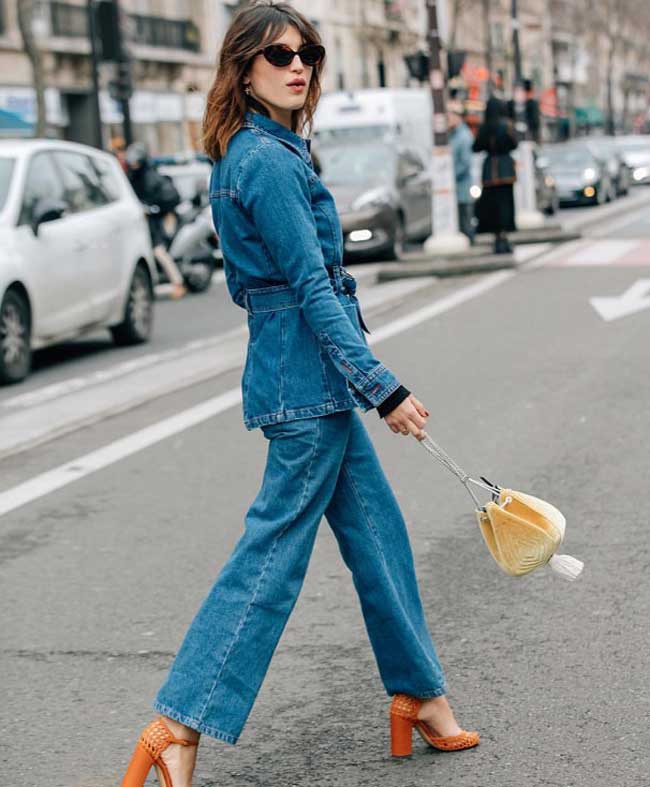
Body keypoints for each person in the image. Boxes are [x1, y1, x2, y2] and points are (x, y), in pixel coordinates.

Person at [121, 4, 479, 785]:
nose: (299, 65)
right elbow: (312, 289)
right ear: (243, 67)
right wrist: (382, 388)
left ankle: (418, 692)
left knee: (378, 536)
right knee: (272, 556)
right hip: (306, 386)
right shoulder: (268, 162)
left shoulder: (254, 154)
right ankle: (178, 721)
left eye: (309, 53)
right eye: (279, 53)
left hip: (304, 377)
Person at [125, 143, 187, 300]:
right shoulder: (132, 177)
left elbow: (170, 198)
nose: (134, 165)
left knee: (159, 251)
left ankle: (178, 283)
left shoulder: (152, 177)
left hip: (160, 219)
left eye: (136, 162)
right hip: (146, 220)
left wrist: (155, 208)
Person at [473, 96, 518, 254]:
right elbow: (514, 144)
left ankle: (497, 238)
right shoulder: (507, 126)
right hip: (505, 170)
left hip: (490, 172)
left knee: (492, 206)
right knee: (505, 204)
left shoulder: (484, 127)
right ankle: (504, 237)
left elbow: (476, 147)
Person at [447, 100, 475, 244]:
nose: (448, 119)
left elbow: (465, 163)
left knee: (465, 221)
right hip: (455, 188)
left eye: (450, 116)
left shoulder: (463, 136)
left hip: (462, 188)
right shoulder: (452, 135)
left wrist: (450, 177)